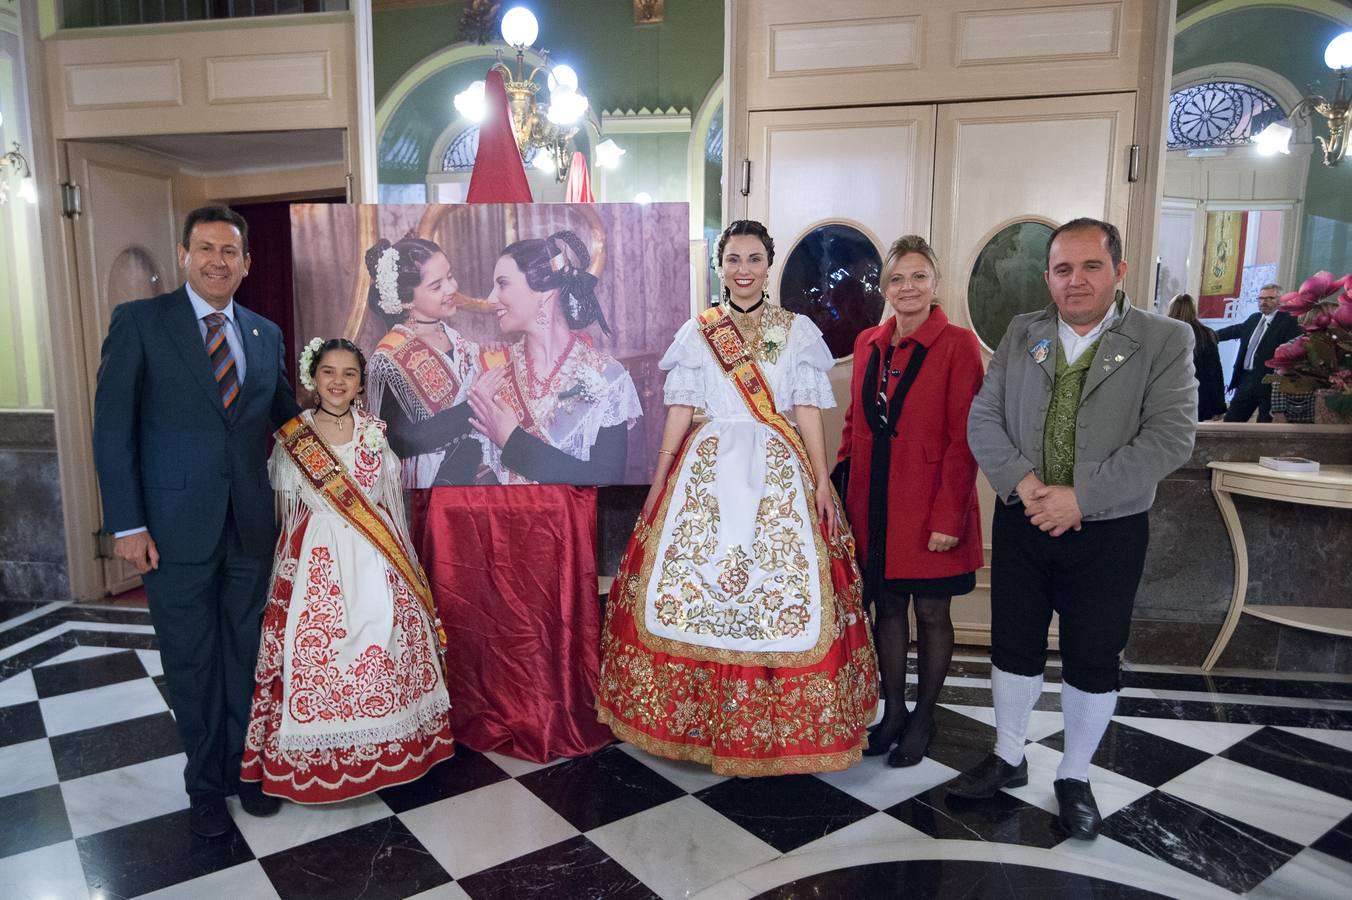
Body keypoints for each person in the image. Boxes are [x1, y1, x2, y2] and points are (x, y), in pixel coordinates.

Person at [595, 220, 878, 776]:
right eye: (734, 260)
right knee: (694, 585)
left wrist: (821, 481)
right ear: (719, 266)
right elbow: (681, 407)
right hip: (707, 467)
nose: (743, 270)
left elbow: (806, 410)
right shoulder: (700, 330)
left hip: (777, 471)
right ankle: (692, 720)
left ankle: (779, 726)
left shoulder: (795, 330)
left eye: (753, 259)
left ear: (768, 266)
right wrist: (660, 478)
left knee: (777, 587)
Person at [948, 218, 1196, 840]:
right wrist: (1025, 486)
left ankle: (1076, 774)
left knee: (1091, 656)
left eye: (1090, 267)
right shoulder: (1021, 332)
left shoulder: (1164, 339)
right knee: (1013, 645)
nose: (1076, 280)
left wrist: (1079, 496)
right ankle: (1007, 758)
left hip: (1108, 530)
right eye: (1063, 269)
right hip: (1024, 519)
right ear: (1048, 277)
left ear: (1120, 270)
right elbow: (985, 416)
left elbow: (1169, 439)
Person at [93, 206, 299, 837]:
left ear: (246, 264)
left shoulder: (264, 333)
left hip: (249, 529)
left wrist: (356, 444)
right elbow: (112, 431)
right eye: (205, 248)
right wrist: (126, 524)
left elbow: (290, 422)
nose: (217, 261)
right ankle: (204, 784)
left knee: (245, 653)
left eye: (229, 252)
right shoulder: (140, 323)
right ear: (183, 255)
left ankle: (244, 770)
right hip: (171, 529)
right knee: (191, 658)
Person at [239, 339, 455, 803]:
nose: (338, 382)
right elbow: (287, 511)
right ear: (312, 378)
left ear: (361, 383)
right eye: (329, 372)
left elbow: (388, 507)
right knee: (320, 657)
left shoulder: (375, 430)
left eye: (350, 374)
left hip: (376, 555)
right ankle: (314, 765)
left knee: (386, 649)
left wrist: (406, 568)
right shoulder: (293, 437)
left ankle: (394, 758)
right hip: (317, 559)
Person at [835, 235, 984, 768]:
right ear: (884, 287)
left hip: (930, 506)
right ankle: (892, 711)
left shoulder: (959, 345)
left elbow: (964, 439)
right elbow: (855, 425)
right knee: (887, 606)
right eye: (897, 278)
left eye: (919, 277)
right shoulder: (867, 343)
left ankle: (925, 717)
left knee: (933, 612)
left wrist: (949, 517)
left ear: (935, 283)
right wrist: (843, 495)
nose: (908, 287)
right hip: (874, 504)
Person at [467, 229, 642, 484]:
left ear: (543, 294)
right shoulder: (491, 368)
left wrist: (512, 441)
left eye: (502, 284)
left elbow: (608, 480)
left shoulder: (608, 377)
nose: (491, 298)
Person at [365, 236, 484, 487]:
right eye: (436, 286)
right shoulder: (389, 360)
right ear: (407, 299)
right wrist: (475, 407)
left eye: (450, 276)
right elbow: (397, 442)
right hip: (429, 486)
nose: (451, 289)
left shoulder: (457, 339)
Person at [1216, 283, 1300, 422]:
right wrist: (1208, 336)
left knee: (1264, 425)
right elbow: (1235, 330)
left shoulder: (1289, 321)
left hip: (1270, 382)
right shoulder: (1254, 318)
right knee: (1231, 422)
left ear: (1280, 300)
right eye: (1260, 298)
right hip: (1246, 380)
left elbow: (1291, 351)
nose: (1263, 302)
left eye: (1269, 298)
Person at [1167, 293, 1226, 420]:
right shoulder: (1205, 334)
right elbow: (1214, 372)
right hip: (1198, 397)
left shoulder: (1163, 333)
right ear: (1194, 310)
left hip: (1168, 397)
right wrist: (1218, 406)